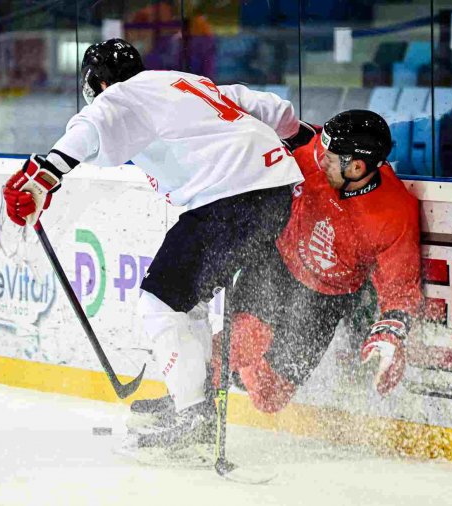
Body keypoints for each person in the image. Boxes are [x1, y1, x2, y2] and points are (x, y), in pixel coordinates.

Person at [2, 38, 303, 449]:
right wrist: (301, 133)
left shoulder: (120, 94)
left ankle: (195, 417)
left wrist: (43, 178)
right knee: (186, 302)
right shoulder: (184, 82)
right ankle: (192, 398)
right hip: (277, 194)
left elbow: (88, 128)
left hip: (231, 196)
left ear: (98, 83)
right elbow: (274, 110)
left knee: (159, 301)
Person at [133, 110, 423, 419]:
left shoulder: (395, 213)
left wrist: (389, 337)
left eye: (330, 157)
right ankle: (188, 402)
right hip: (275, 263)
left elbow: (400, 287)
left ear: (357, 167)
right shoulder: (312, 153)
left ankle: (233, 373)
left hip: (327, 297)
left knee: (269, 397)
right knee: (244, 338)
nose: (319, 159)